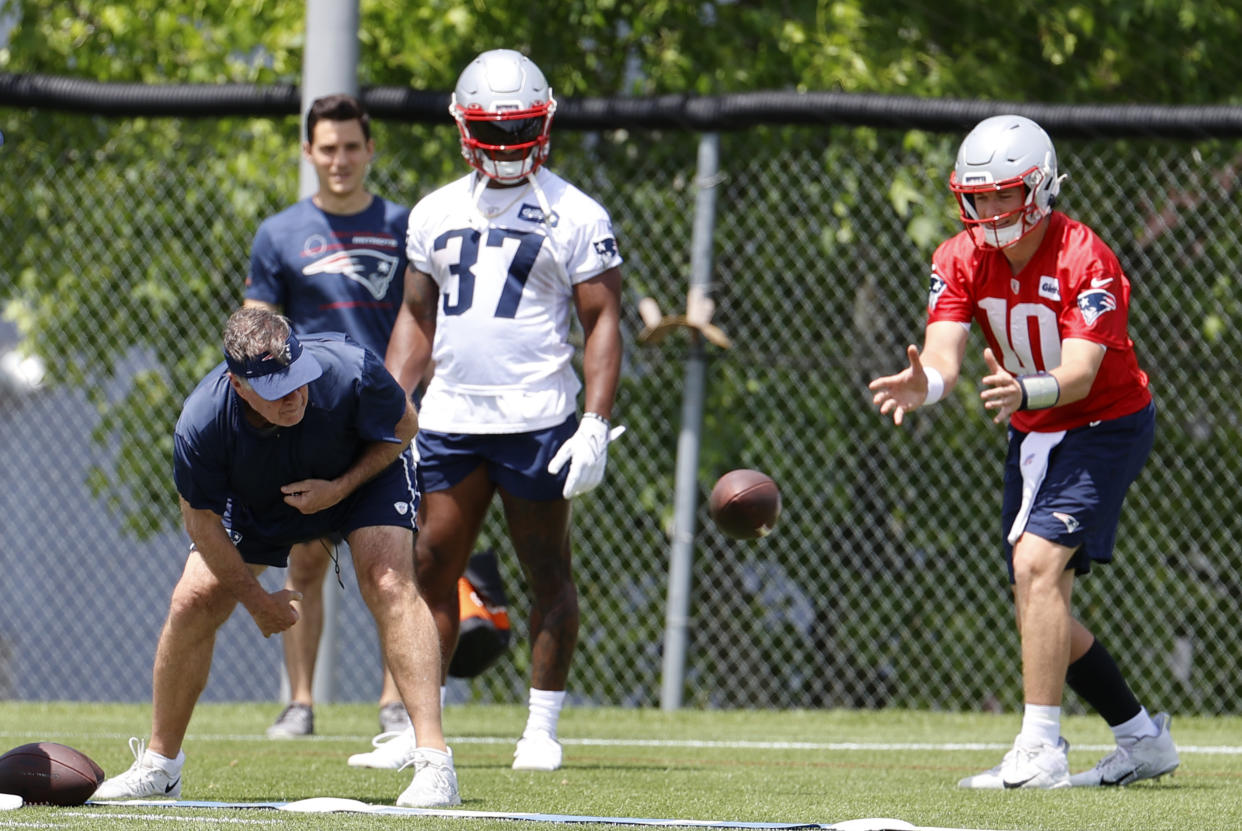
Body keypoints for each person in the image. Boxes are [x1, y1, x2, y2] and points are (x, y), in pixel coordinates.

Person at [867, 114, 1179, 789]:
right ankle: (1140, 738)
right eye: (979, 196)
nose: (989, 210)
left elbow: (1082, 371)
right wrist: (929, 385)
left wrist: (1027, 388)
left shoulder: (1083, 255)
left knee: (1036, 568)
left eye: (1004, 194)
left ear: (1039, 189)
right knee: (1037, 594)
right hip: (1033, 429)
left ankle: (1040, 749)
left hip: (1104, 422)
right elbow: (945, 350)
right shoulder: (957, 257)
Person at [91, 307, 459, 808]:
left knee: (389, 581)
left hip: (360, 477)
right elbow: (200, 521)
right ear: (239, 386)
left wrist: (340, 488)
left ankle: (435, 765)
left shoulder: (351, 368)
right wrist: (256, 600)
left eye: (299, 379)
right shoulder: (201, 422)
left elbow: (405, 426)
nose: (295, 396)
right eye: (275, 389)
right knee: (191, 601)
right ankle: (160, 767)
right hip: (260, 500)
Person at [383, 48, 623, 773]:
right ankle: (423, 728)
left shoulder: (577, 212)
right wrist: (392, 408)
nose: (510, 143)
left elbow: (603, 319)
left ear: (544, 123)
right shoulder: (434, 211)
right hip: (453, 417)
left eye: (521, 127)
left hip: (538, 418)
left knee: (547, 569)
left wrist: (594, 420)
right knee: (429, 565)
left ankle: (541, 727)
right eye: (497, 128)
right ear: (464, 127)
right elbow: (416, 318)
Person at [245, 92, 413, 739]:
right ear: (308, 153)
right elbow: (257, 329)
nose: (339, 159)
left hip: (387, 422)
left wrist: (409, 394)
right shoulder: (279, 233)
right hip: (309, 425)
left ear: (370, 150)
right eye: (327, 148)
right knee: (305, 563)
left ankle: (395, 704)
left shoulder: (405, 225)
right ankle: (301, 702)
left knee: (392, 564)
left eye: (351, 147)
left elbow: (425, 319)